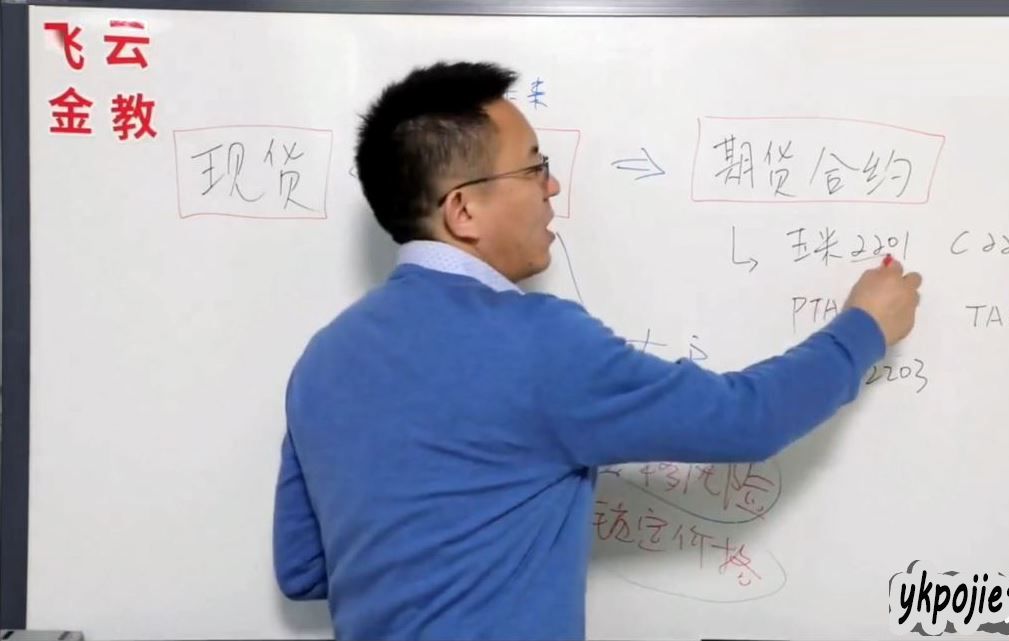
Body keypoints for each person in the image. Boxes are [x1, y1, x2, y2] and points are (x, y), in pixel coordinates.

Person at [273, 61, 922, 641]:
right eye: (533, 168)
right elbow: (745, 420)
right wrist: (865, 326)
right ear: (463, 210)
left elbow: (304, 569)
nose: (552, 187)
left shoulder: (321, 361)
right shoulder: (535, 342)